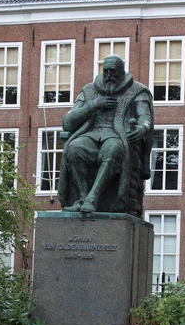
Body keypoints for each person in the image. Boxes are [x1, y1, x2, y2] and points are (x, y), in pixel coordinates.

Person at [57, 55, 154, 216]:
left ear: (122, 72)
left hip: (117, 135)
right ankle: (82, 198)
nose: (109, 76)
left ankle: (93, 198)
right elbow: (68, 122)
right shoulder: (89, 90)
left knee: (113, 149)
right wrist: (94, 105)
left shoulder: (137, 91)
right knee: (73, 148)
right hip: (90, 135)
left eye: (113, 72)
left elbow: (144, 116)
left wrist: (142, 128)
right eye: (106, 71)